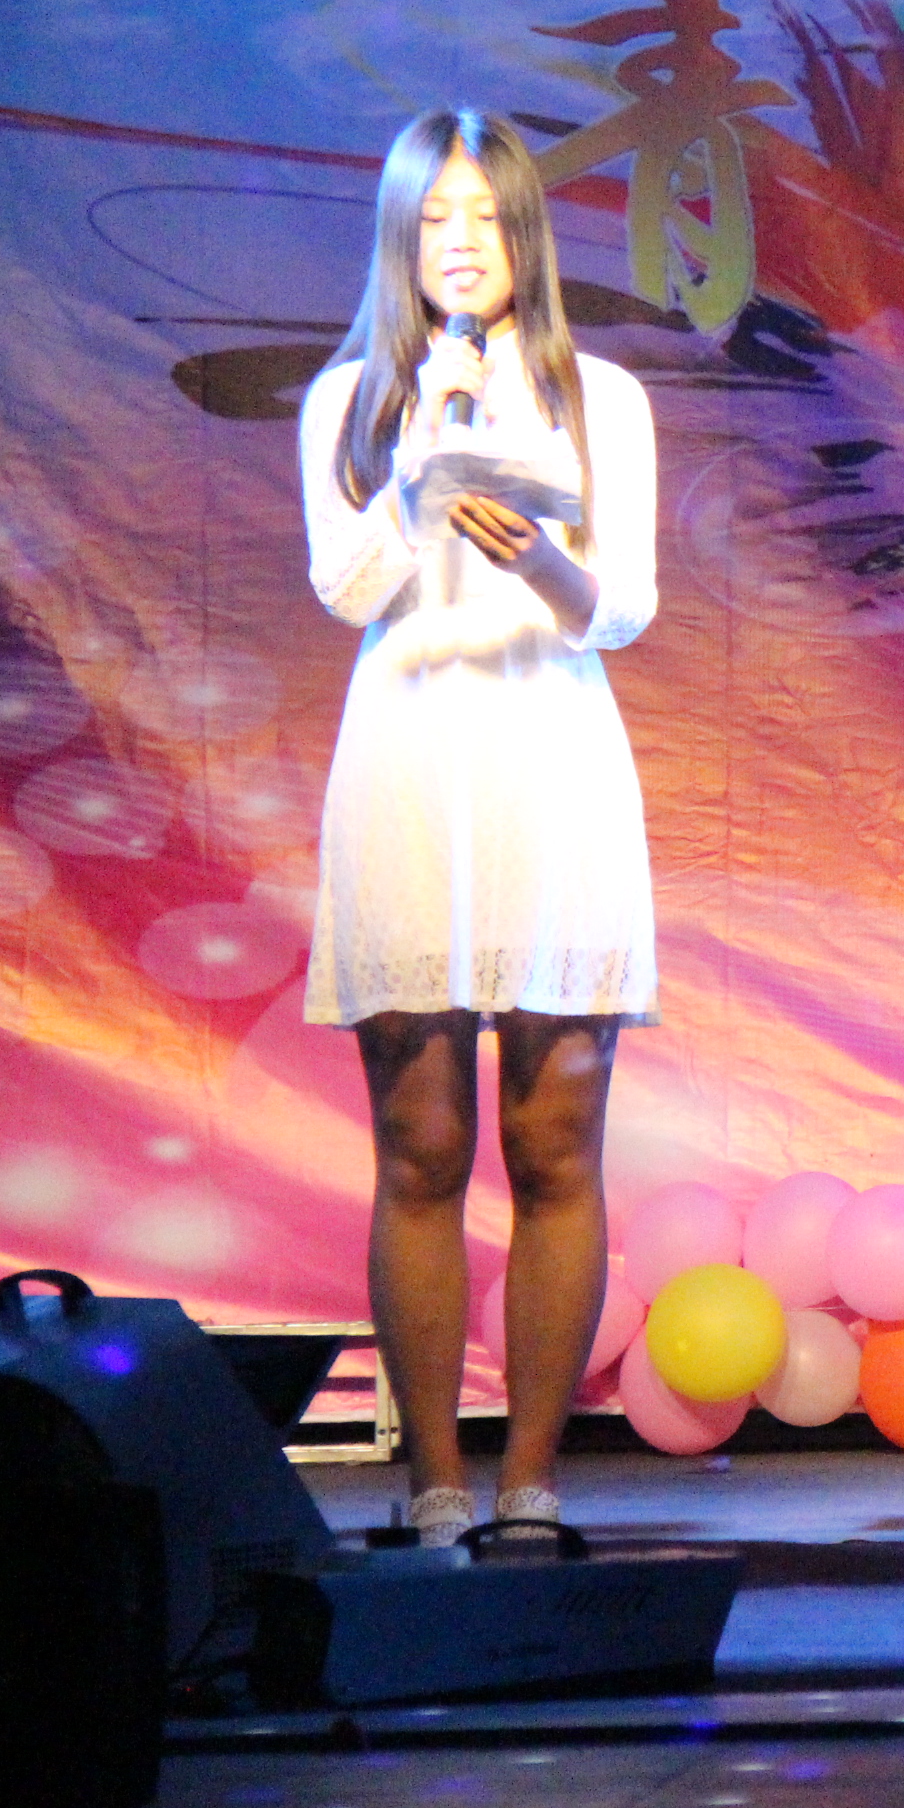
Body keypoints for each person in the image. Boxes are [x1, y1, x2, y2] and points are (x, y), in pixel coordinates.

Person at [300, 109, 659, 1540]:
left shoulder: (597, 396)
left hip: (550, 762)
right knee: (422, 1140)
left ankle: (532, 1481)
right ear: (402, 239)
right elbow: (344, 589)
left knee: (556, 1135)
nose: (462, 244)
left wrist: (543, 560)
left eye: (487, 217)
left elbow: (620, 613)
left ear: (528, 235)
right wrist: (414, 481)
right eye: (435, 219)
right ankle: (437, 1482)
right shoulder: (350, 400)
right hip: (408, 765)